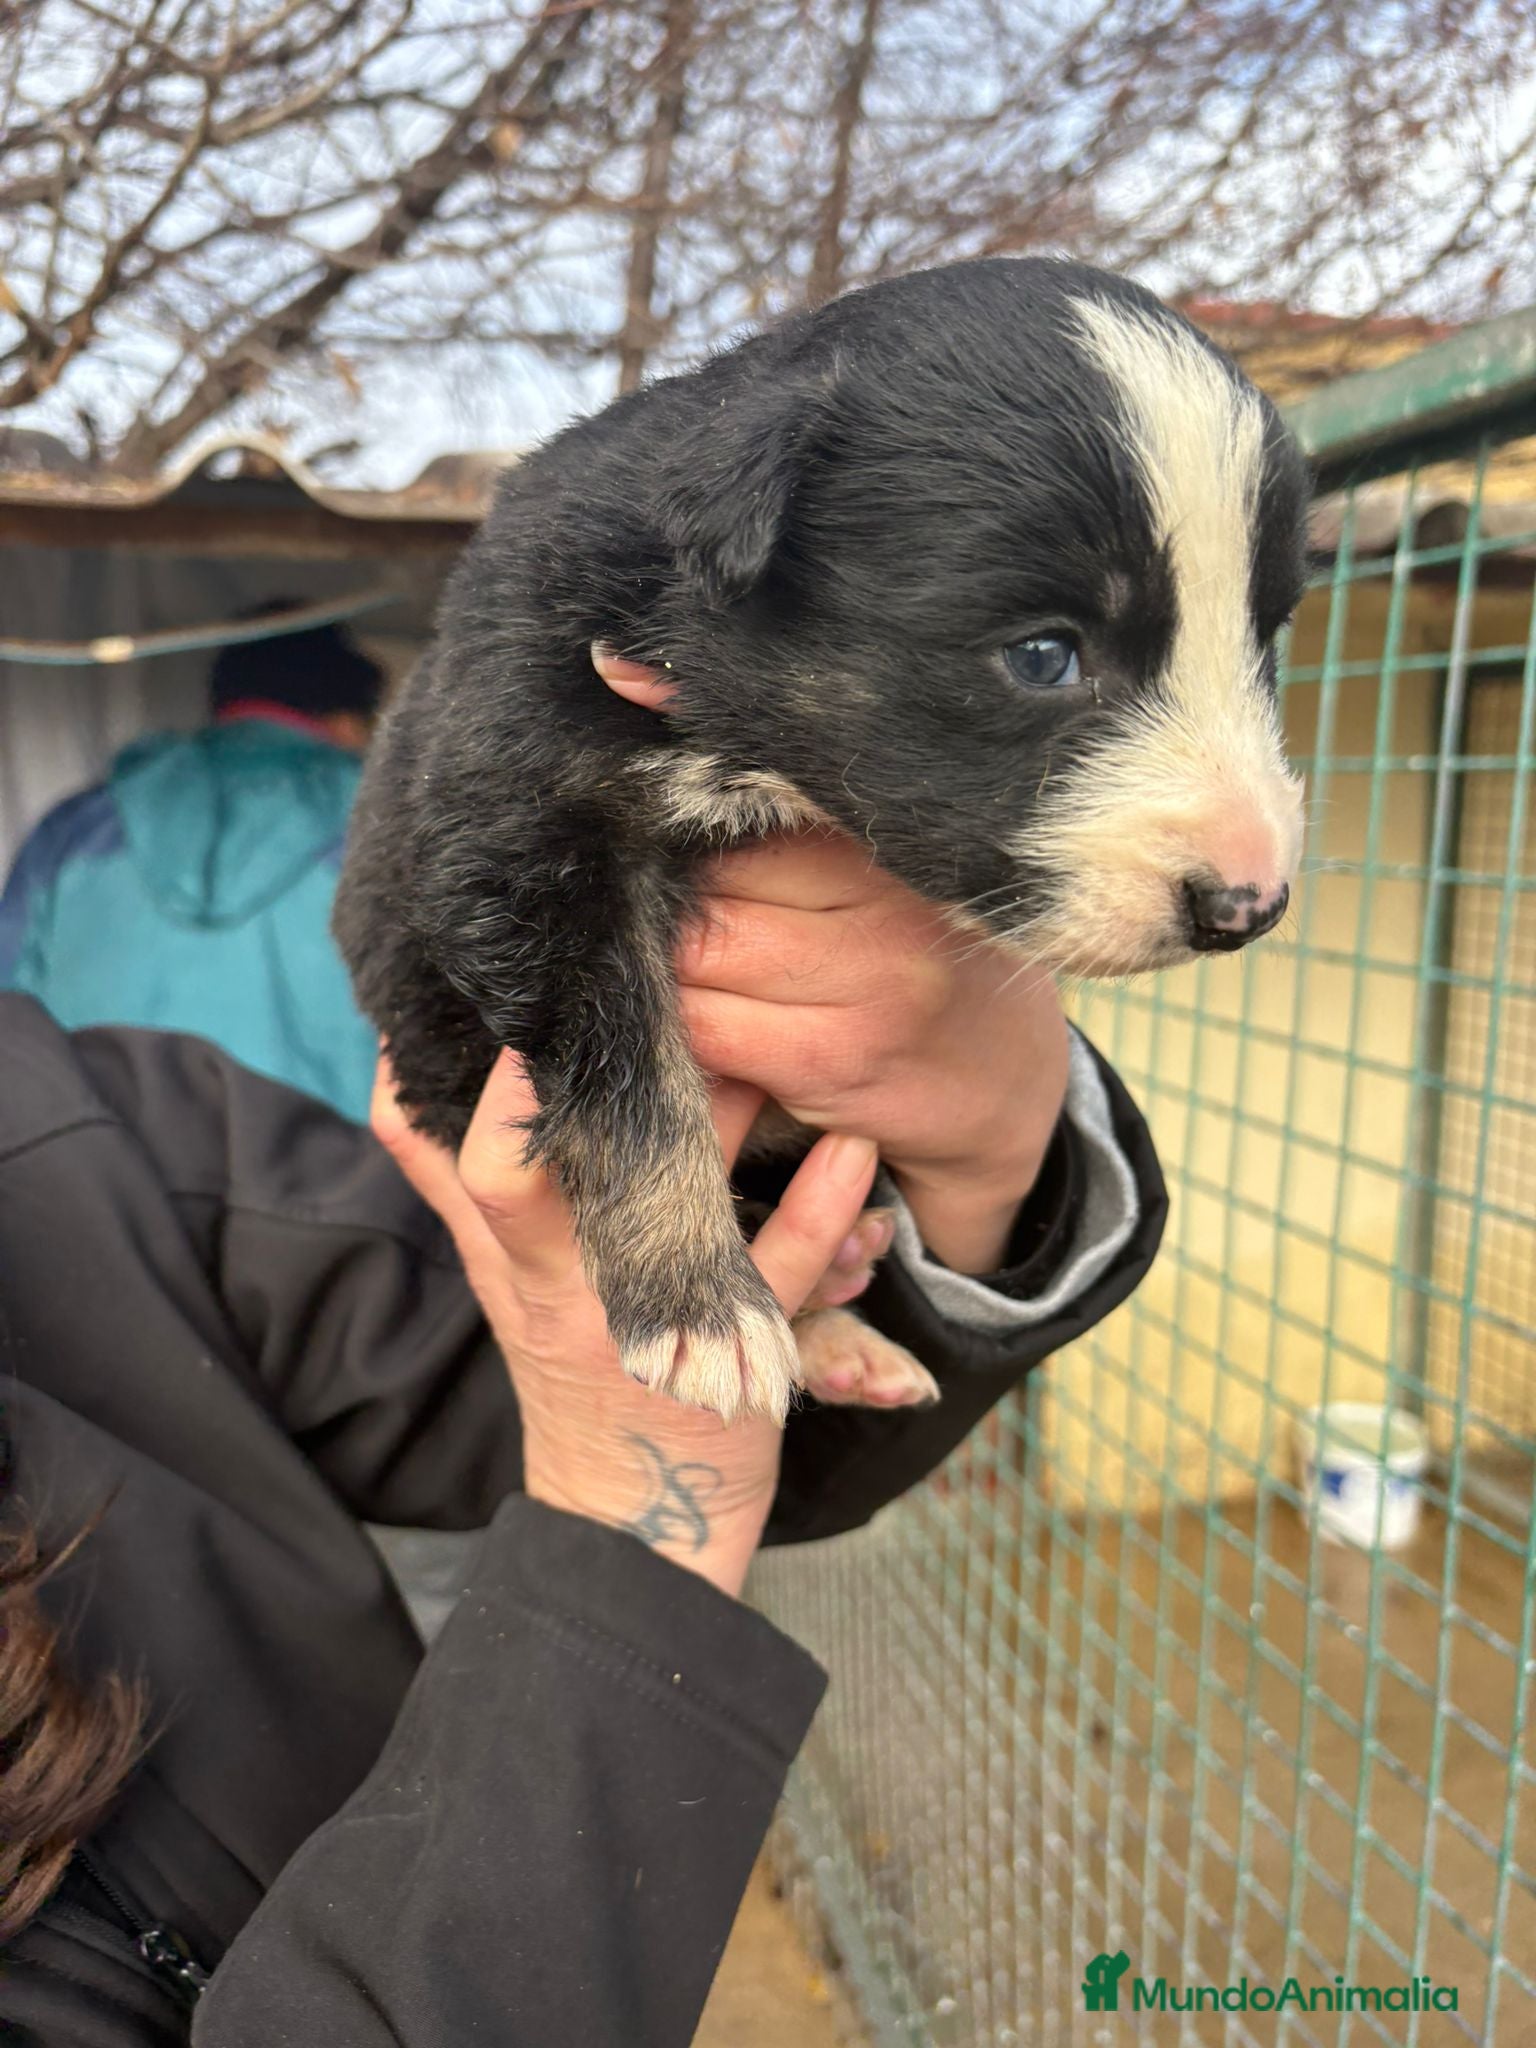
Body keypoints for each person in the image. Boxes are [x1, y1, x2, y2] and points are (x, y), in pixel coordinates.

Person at [0, 696, 1165, 2045]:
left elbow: (563, 1366)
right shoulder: (353, 812)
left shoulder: (67, 987)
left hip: (477, 1317)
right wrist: (620, 1521)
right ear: (321, 707)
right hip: (491, 1374)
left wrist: (983, 1148)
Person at [0, 605, 384, 1123]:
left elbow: (11, 1019)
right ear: (345, 720)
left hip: (102, 1181)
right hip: (339, 1186)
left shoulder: (76, 829)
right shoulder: (390, 826)